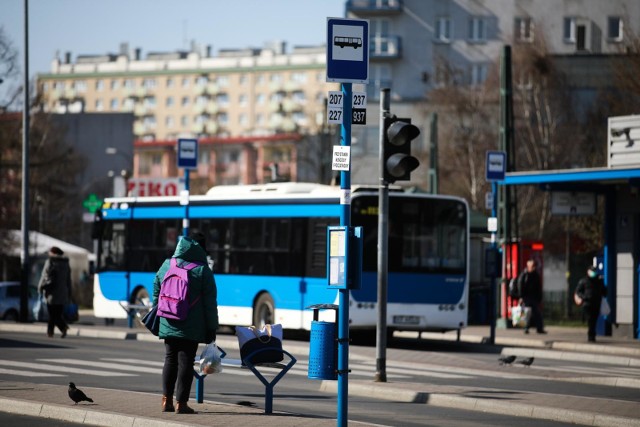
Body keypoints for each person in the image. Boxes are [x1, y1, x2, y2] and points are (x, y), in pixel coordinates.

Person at [153, 232, 218, 414]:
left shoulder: (167, 264)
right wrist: (212, 327)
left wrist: (158, 306)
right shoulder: (203, 270)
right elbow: (210, 304)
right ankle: (181, 403)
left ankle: (166, 400)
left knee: (170, 359)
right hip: (192, 324)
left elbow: (156, 285)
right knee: (186, 362)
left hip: (168, 318)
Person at [37, 246, 72, 338]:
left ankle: (62, 327)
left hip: (52, 292)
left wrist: (40, 287)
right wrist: (69, 292)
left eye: (50, 252)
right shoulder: (66, 263)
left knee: (52, 314)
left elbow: (44, 276)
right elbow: (68, 280)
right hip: (63, 293)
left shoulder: (50, 262)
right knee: (57, 314)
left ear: (53, 253)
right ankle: (50, 332)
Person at [575, 265, 606, 342]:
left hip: (596, 303)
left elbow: (604, 291)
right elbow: (578, 291)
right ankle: (591, 336)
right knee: (590, 319)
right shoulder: (584, 281)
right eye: (592, 271)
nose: (593, 273)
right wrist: (584, 297)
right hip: (587, 304)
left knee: (594, 320)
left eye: (594, 271)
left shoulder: (599, 281)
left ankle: (592, 335)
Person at [517, 259, 546, 334]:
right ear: (528, 266)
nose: (533, 267)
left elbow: (538, 287)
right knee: (525, 313)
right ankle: (525, 328)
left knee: (537, 313)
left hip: (534, 297)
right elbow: (520, 286)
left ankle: (539, 328)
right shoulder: (524, 275)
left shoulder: (536, 275)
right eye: (532, 266)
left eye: (534, 266)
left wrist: (539, 298)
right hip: (526, 297)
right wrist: (521, 297)